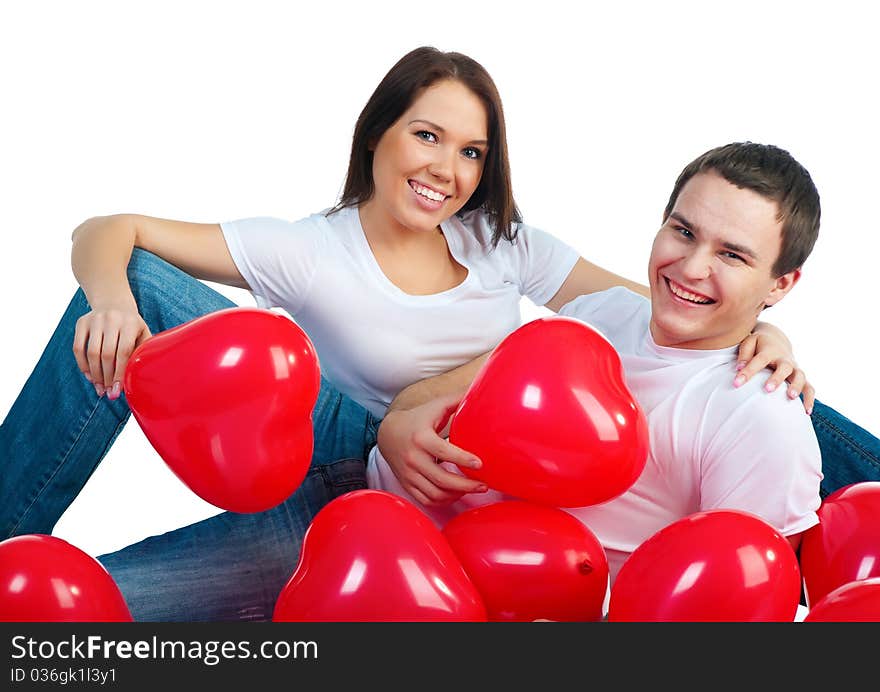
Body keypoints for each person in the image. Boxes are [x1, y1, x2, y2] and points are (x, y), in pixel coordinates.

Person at [0, 47, 871, 621]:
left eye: (472, 152)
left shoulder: (513, 251)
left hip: (404, 538)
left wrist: (772, 341)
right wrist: (111, 300)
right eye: (427, 135)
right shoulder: (308, 248)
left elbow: (676, 325)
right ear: (379, 131)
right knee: (128, 300)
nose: (447, 170)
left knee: (95, 616)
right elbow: (113, 232)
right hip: (327, 438)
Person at [370, 141, 834, 589]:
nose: (691, 267)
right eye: (684, 231)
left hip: (427, 588)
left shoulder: (760, 420)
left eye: (731, 255)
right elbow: (429, 394)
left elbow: (736, 600)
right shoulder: (604, 312)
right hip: (369, 499)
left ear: (780, 286)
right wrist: (397, 428)